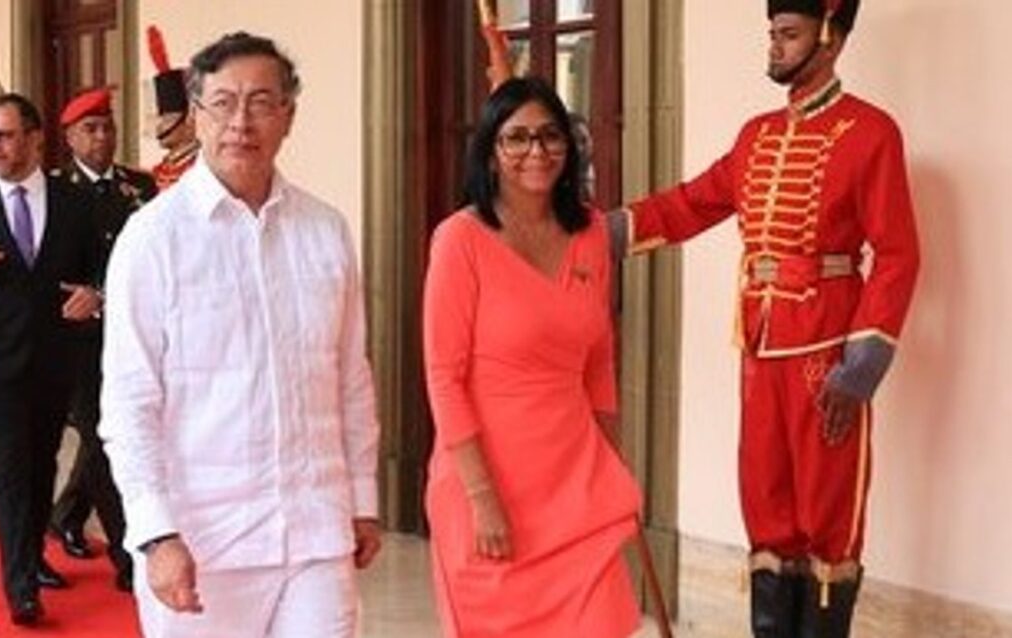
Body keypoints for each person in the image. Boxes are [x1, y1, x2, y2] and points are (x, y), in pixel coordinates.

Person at [610, 1, 920, 635]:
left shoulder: (871, 131)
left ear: (828, 38)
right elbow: (692, 202)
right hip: (760, 348)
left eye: (789, 34)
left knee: (827, 515)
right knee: (768, 507)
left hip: (828, 353)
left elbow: (896, 252)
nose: (775, 46)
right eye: (772, 34)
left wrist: (862, 365)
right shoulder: (756, 136)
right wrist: (600, 230)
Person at [100, 32, 381, 638]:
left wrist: (361, 500)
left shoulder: (324, 230)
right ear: (196, 116)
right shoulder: (153, 239)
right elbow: (128, 402)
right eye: (223, 103)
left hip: (315, 533)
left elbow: (351, 380)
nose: (241, 122)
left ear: (289, 115)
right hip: (206, 543)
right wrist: (155, 532)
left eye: (261, 102)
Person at [423, 76, 643, 638]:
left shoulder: (592, 230)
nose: (536, 151)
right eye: (516, 138)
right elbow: (444, 378)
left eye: (550, 136)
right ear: (492, 153)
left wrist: (610, 467)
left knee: (605, 624)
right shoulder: (458, 240)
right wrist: (481, 498)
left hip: (574, 483)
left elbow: (598, 361)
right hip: (486, 483)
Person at [0, 93, 100, 625]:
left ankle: (31, 558)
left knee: (42, 463)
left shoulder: (75, 203)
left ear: (35, 138)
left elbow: (104, 268)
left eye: (5, 135)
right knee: (10, 465)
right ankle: (20, 589)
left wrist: (95, 295)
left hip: (56, 357)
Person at [47, 87, 157, 591]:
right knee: (101, 437)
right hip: (74, 341)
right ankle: (127, 555)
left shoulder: (140, 187)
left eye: (108, 126)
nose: (102, 137)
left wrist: (105, 293)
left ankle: (67, 515)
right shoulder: (52, 189)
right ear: (69, 137)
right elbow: (43, 266)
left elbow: (152, 258)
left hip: (130, 331)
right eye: (90, 128)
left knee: (105, 439)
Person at [147, 26, 199, 190]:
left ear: (189, 119)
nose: (160, 126)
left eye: (168, 118)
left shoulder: (203, 170)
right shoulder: (158, 171)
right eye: (160, 118)